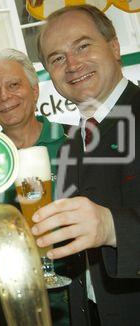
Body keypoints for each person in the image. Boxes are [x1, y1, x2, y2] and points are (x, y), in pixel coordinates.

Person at [35, 5, 140, 325]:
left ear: (115, 47)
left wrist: (112, 228)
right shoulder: (72, 143)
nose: (72, 65)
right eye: (57, 58)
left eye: (83, 46)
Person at [0, 48, 68, 325]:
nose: (4, 97)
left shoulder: (73, 141)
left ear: (35, 89)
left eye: (13, 85)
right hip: (18, 306)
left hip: (81, 297)